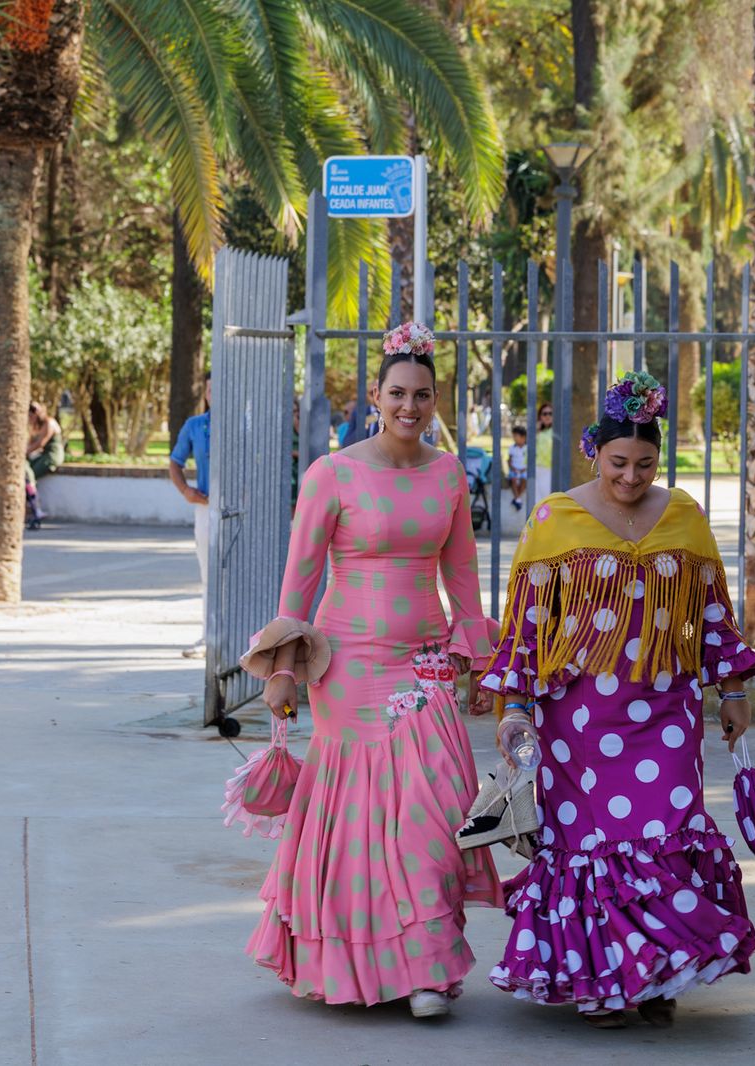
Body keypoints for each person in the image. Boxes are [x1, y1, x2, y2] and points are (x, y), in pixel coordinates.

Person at [480, 370, 755, 1028]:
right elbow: (525, 624)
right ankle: (602, 985)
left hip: (666, 713)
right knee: (592, 847)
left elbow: (712, 615)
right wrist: (516, 707)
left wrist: (734, 691)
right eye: (617, 464)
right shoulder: (556, 519)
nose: (630, 477)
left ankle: (659, 973)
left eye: (643, 464)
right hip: (576, 720)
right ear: (594, 453)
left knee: (665, 835)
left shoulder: (684, 516)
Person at [239, 321, 501, 1020]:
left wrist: (475, 661)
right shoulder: (334, 473)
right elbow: (300, 581)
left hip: (426, 665)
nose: (409, 407)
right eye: (397, 393)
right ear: (375, 397)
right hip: (347, 667)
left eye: (422, 395)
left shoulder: (449, 473)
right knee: (365, 817)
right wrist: (284, 672)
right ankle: (403, 971)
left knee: (438, 805)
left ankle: (427, 961)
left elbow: (464, 578)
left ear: (436, 398)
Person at [169, 373, 211, 593]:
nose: (215, 395)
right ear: (206, 394)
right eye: (210, 390)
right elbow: (175, 463)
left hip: (239, 509)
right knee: (207, 574)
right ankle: (210, 627)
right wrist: (186, 490)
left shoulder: (243, 425)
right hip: (206, 506)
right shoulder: (195, 426)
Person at [23, 401, 64, 529]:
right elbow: (30, 443)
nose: (30, 419)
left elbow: (41, 443)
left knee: (30, 475)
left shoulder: (49, 422)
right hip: (41, 455)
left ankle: (35, 509)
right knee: (25, 471)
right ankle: (32, 510)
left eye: (31, 415)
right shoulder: (35, 426)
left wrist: (23, 452)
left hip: (52, 456)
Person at [533, 402, 554, 502]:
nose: (547, 416)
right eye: (544, 414)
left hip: (549, 470)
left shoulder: (556, 432)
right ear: (540, 416)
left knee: (547, 502)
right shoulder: (538, 431)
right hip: (536, 470)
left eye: (550, 413)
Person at [507, 424, 528, 511]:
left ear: (523, 437)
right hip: (514, 469)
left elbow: (530, 461)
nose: (514, 438)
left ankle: (516, 499)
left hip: (524, 469)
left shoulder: (527, 448)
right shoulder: (512, 448)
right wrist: (512, 468)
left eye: (516, 436)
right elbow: (509, 460)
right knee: (513, 480)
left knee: (524, 481)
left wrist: (525, 468)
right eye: (514, 436)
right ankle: (518, 499)